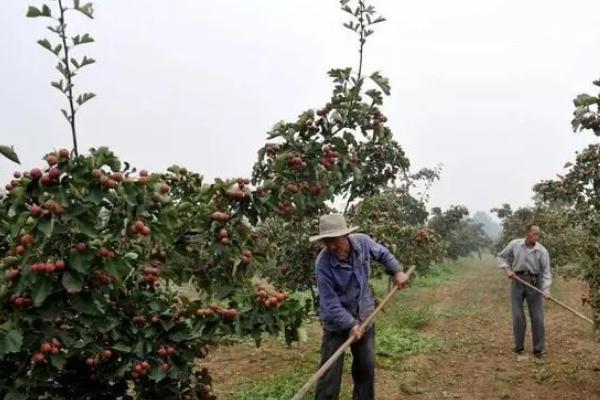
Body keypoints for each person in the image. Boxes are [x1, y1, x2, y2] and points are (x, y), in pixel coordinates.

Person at [309, 213, 409, 400]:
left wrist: (397, 271)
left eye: (334, 240)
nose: (330, 245)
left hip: (365, 317)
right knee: (329, 374)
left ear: (345, 235)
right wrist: (350, 324)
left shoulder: (362, 243)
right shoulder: (323, 263)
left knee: (365, 370)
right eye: (326, 241)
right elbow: (329, 302)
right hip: (336, 325)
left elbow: (383, 254)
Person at [496, 224, 552, 358]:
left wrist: (546, 288)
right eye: (534, 234)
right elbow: (500, 257)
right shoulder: (515, 244)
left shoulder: (542, 251)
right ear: (527, 233)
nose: (537, 237)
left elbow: (546, 272)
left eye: (538, 234)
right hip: (517, 280)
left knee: (537, 316)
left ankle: (539, 349)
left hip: (534, 283)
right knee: (518, 316)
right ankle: (519, 347)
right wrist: (507, 269)